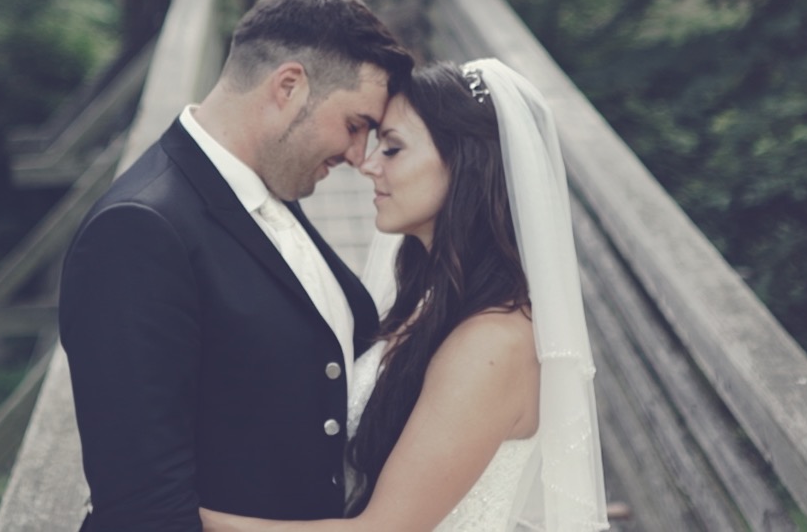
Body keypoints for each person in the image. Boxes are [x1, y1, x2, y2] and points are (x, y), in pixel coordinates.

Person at [61, 0, 415, 532]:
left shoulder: (272, 183)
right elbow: (143, 508)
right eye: (355, 126)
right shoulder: (137, 231)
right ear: (289, 86)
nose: (357, 155)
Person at [201, 59, 608, 532]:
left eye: (392, 149)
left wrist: (188, 518)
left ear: (465, 166)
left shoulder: (492, 344)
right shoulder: (431, 303)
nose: (368, 164)